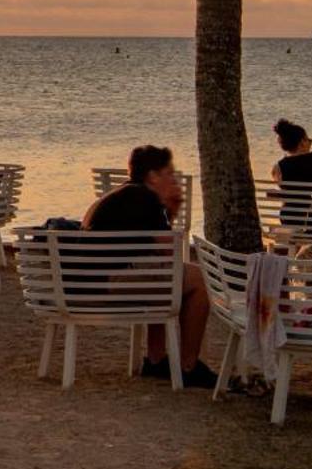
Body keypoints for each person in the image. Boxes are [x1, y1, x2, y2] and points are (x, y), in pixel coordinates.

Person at [80, 145, 216, 390]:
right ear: (153, 176)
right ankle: (188, 366)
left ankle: (156, 359)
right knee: (199, 280)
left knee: (165, 276)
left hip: (88, 283)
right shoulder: (146, 198)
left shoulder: (116, 196)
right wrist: (172, 208)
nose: (173, 180)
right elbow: (169, 251)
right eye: (169, 174)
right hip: (109, 285)